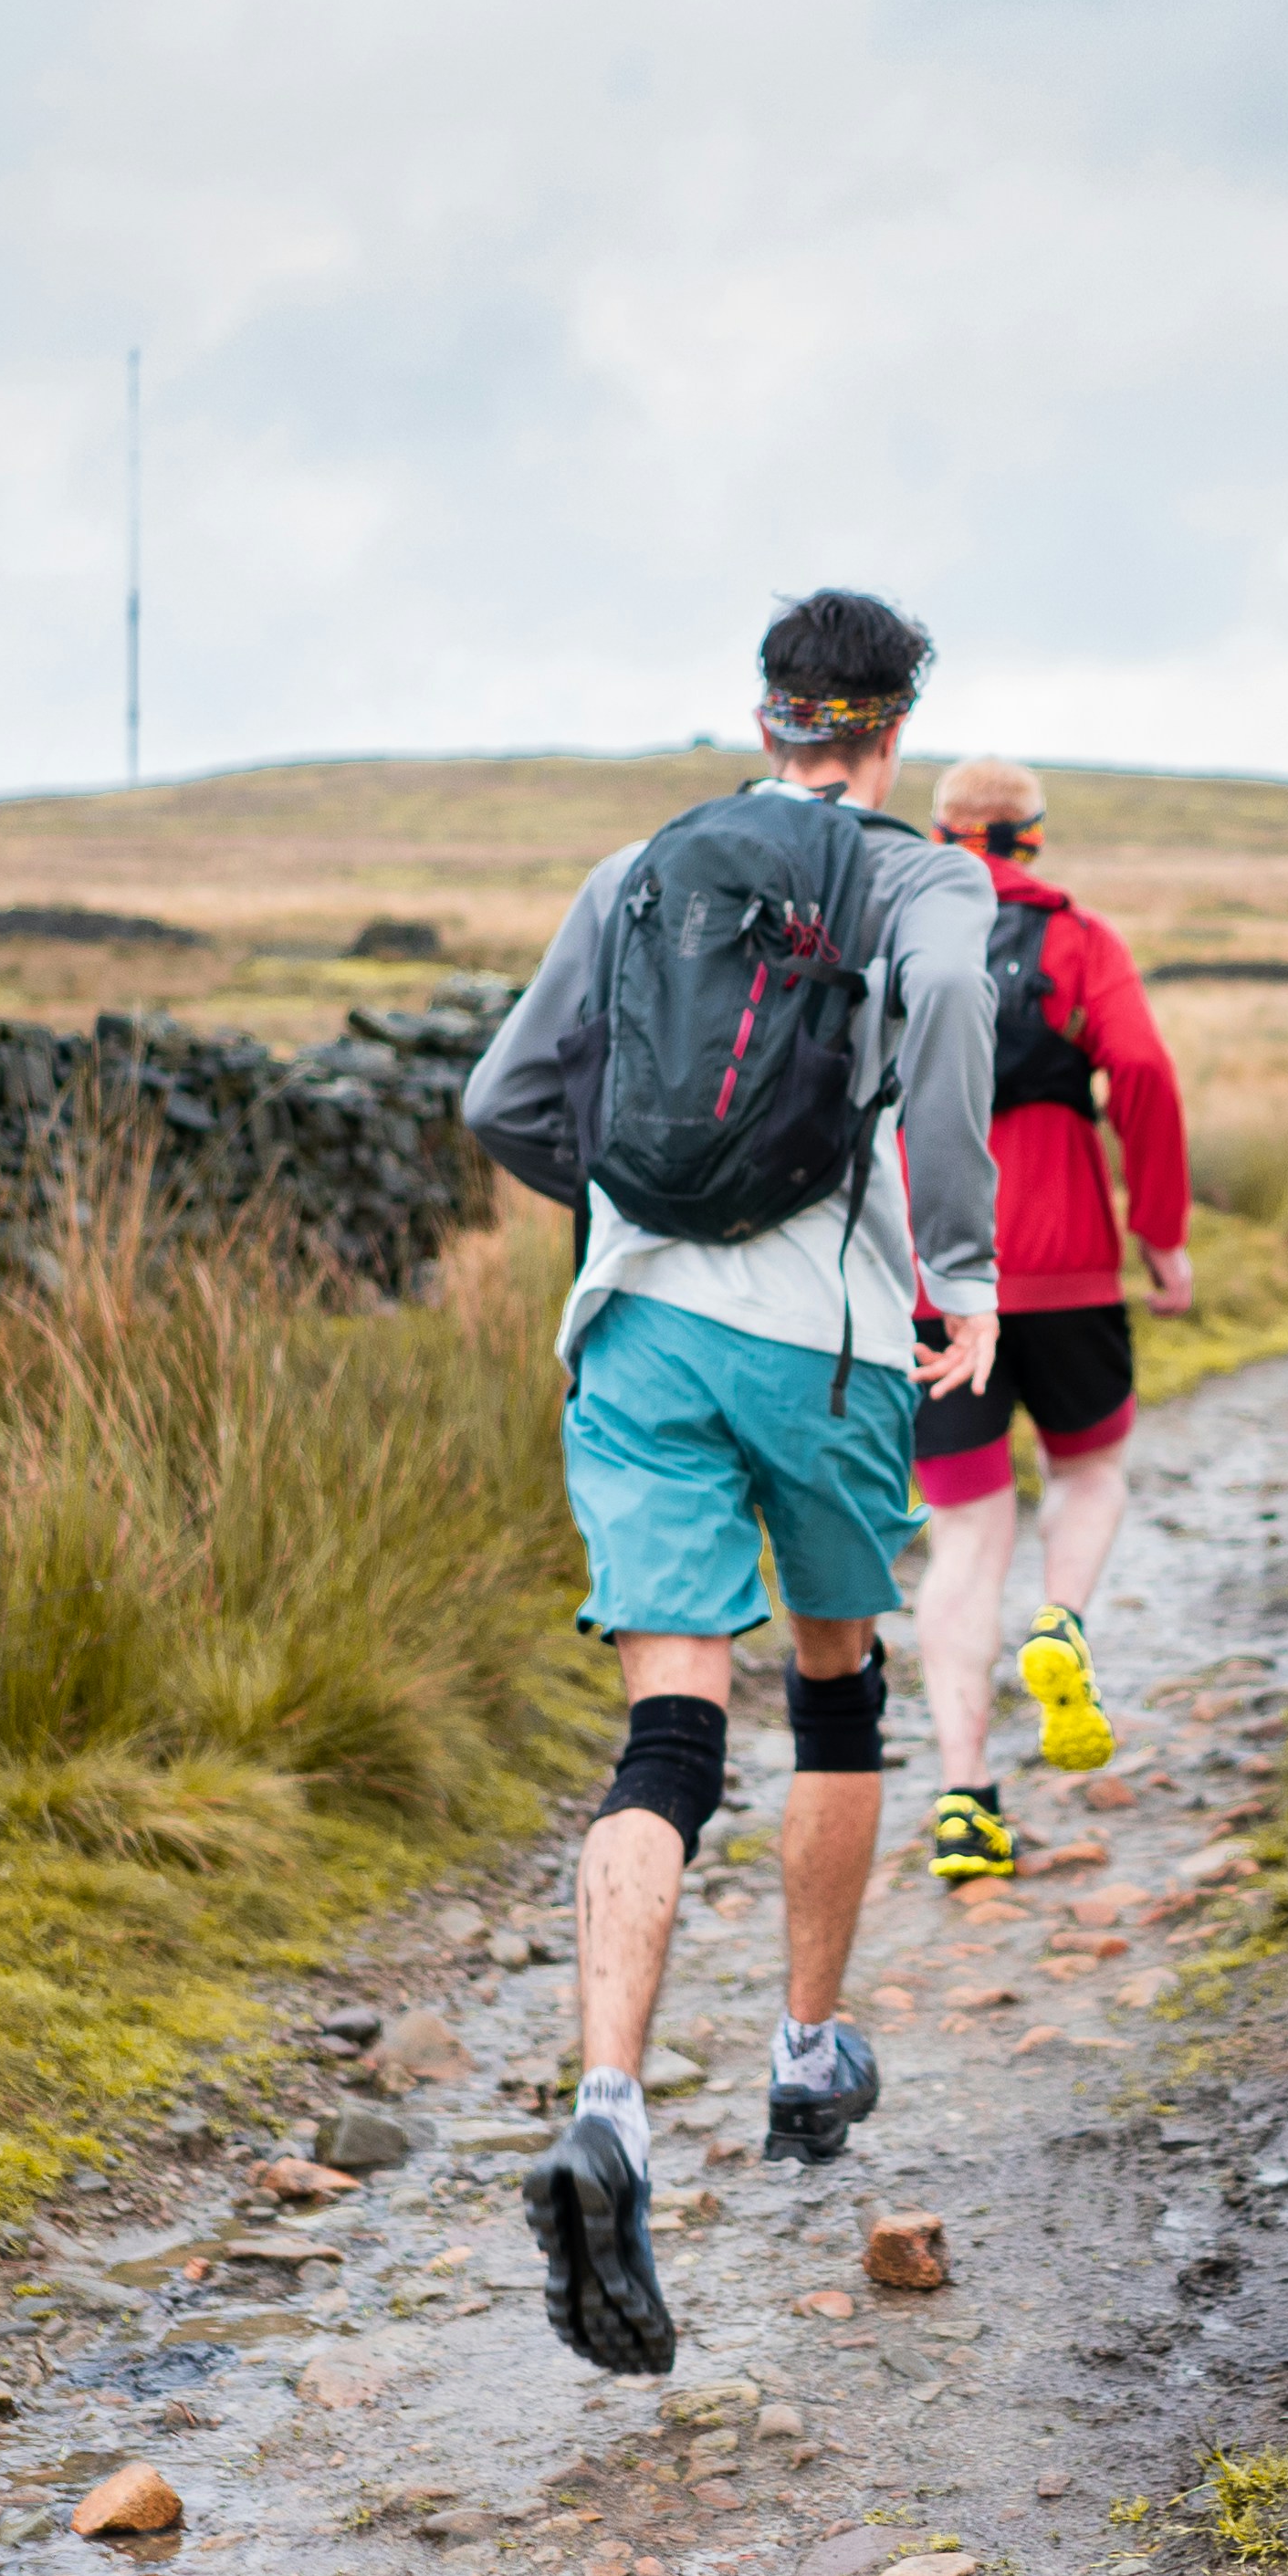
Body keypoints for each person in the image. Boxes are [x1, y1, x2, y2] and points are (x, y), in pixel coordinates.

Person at [456, 589, 1004, 2376]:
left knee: (664, 1727)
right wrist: (966, 1267)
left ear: (765, 716)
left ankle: (606, 2104)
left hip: (631, 1331)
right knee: (832, 1670)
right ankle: (798, 2050)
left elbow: (502, 1101)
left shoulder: (635, 868)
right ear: (891, 729)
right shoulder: (923, 881)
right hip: (822, 1341)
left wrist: (639, 1201)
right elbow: (937, 1036)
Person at [908, 756, 1191, 1881]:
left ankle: (963, 1801)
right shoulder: (1079, 941)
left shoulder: (902, 944)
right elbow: (1145, 1074)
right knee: (1090, 1471)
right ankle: (1060, 1623)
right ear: (1030, 837)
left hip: (934, 1278)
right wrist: (1157, 1231)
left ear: (940, 834)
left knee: (965, 1536)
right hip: (1069, 1262)